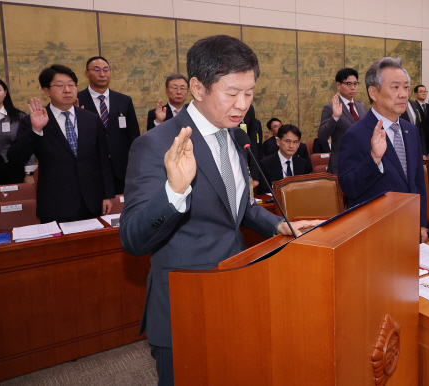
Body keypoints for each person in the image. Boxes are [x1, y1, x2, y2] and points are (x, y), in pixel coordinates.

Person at [118, 35, 320, 386]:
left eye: (250, 92)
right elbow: (133, 239)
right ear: (197, 87)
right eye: (232, 92)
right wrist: (174, 191)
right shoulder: (155, 145)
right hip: (186, 306)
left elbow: (237, 209)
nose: (242, 104)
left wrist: (277, 226)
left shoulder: (234, 136)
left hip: (235, 290)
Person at [8, 64, 114, 223]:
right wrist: (36, 130)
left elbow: (103, 160)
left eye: (71, 85)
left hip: (92, 201)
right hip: (55, 203)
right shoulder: (34, 121)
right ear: (46, 91)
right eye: (59, 85)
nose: (67, 90)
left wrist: (107, 195)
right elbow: (15, 158)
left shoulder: (90, 119)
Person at [338, 57, 428, 242]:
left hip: (409, 228)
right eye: (395, 87)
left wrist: (421, 222)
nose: (403, 94)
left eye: (406, 87)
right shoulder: (356, 133)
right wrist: (373, 159)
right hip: (375, 233)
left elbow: (418, 181)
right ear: (373, 92)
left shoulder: (410, 130)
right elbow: (349, 187)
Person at [77, 56, 139, 195]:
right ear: (86, 73)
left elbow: (133, 135)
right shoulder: (77, 100)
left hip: (121, 169)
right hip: (92, 168)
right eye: (97, 70)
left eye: (106, 70)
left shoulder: (124, 100)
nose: (102, 74)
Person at [317, 68, 366, 174]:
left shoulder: (361, 107)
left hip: (361, 163)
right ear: (338, 85)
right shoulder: (330, 108)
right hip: (341, 165)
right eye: (348, 84)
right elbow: (321, 136)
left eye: (355, 84)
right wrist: (335, 117)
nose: (353, 87)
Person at [257, 124, 312, 194]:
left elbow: (305, 188)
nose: (291, 146)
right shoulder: (265, 164)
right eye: (287, 141)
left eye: (295, 142)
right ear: (278, 142)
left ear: (298, 144)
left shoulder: (302, 163)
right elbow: (264, 192)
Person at [0, 79, 32, 185]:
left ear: (5, 92)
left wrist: (29, 174)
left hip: (13, 169)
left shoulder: (19, 117)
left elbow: (27, 146)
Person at [400, 85, 428, 159]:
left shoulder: (414, 104)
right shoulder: (395, 105)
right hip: (402, 150)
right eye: (404, 87)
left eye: (407, 88)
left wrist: (423, 152)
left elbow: (420, 129)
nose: (406, 90)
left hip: (416, 148)